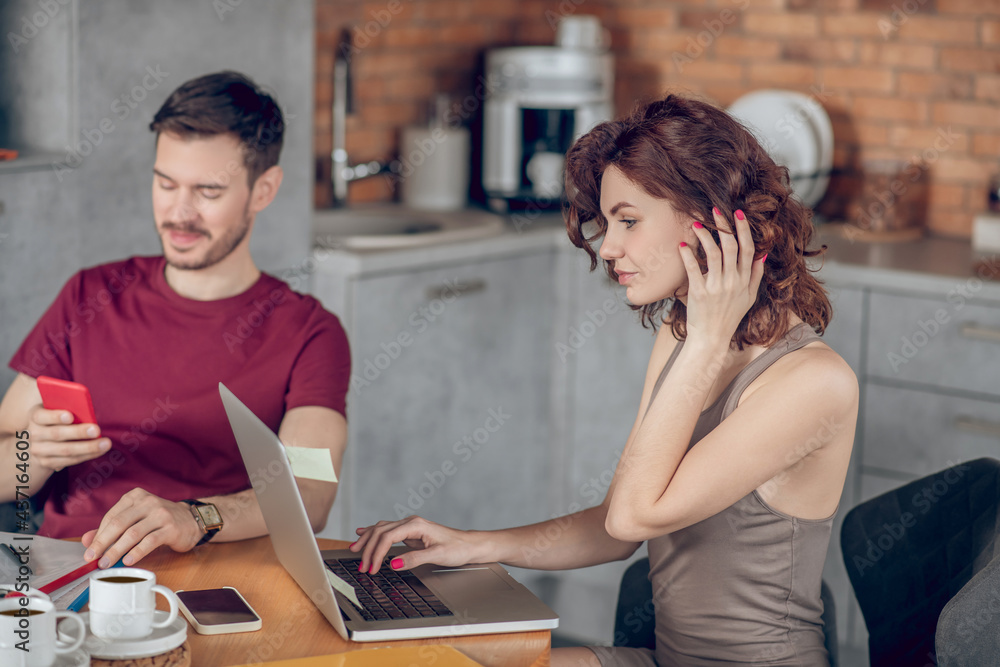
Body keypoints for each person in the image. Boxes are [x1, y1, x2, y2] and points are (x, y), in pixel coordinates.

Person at [349, 95, 858, 666]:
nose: (608, 247)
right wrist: (474, 545)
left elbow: (633, 517)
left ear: (711, 220)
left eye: (629, 221)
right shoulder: (683, 334)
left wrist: (709, 341)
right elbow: (616, 532)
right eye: (608, 221)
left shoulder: (814, 383)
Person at [0, 71, 350, 571]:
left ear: (264, 190)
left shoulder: (310, 332)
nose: (178, 212)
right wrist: (35, 455)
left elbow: (311, 493)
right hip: (65, 573)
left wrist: (195, 518)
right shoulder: (89, 296)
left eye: (208, 191)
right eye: (166, 183)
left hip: (216, 583)